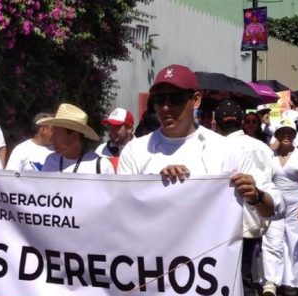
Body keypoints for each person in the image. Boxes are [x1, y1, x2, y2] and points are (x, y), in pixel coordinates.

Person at [119, 64, 280, 220]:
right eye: (160, 99)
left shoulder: (226, 149)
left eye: (175, 98)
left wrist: (256, 196)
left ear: (195, 100)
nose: (166, 107)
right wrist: (155, 185)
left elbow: (276, 207)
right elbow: (121, 209)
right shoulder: (135, 151)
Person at [213, 99, 275, 296]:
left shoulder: (216, 148)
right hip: (255, 220)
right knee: (246, 278)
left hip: (230, 225)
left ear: (215, 122)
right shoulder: (260, 147)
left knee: (238, 282)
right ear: (242, 121)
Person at [261, 120, 298, 296]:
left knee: (295, 242)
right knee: (273, 241)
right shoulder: (269, 156)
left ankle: (293, 281)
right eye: (282, 132)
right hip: (275, 203)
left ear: (295, 136)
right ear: (277, 135)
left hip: (296, 203)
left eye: (290, 133)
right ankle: (272, 281)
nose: (286, 136)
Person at [37, 103, 114, 174]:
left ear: (74, 136)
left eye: (56, 134)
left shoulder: (101, 166)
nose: (51, 139)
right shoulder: (50, 161)